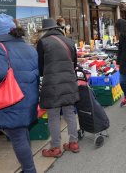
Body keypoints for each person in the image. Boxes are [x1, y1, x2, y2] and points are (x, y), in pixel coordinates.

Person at [0, 14, 39, 173]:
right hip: (28, 97)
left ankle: (29, 170)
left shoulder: (0, 47)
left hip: (12, 101)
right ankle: (29, 167)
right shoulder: (27, 46)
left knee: (17, 137)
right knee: (23, 133)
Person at [37, 18, 80, 157]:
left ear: (45, 31)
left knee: (53, 116)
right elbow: (74, 63)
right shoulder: (69, 41)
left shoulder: (43, 42)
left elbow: (40, 67)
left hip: (52, 83)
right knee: (69, 113)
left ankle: (55, 147)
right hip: (69, 81)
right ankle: (73, 143)